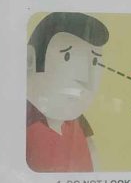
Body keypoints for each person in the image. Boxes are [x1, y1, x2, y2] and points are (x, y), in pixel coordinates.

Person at [27, 12, 109, 170]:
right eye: (68, 57)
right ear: (30, 60)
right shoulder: (18, 122)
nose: (86, 80)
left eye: (95, 61)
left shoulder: (81, 125)